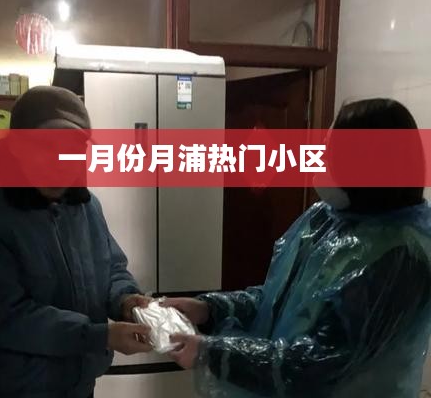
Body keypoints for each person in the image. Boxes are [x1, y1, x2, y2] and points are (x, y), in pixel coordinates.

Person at [165, 98, 431, 398]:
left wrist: (212, 353)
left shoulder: (399, 258)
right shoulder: (324, 219)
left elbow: (318, 365)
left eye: (331, 154)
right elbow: (275, 300)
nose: (320, 161)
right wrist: (207, 309)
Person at [0, 86, 152, 398]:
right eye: (46, 146)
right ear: (16, 146)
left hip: (79, 386)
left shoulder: (86, 206)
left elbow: (111, 268)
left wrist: (126, 300)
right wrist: (100, 336)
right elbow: (4, 316)